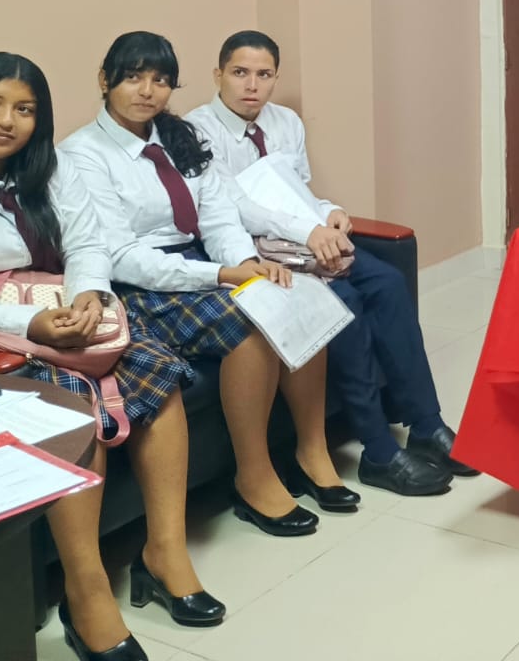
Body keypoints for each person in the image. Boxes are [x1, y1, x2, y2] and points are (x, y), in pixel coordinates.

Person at [0, 54, 221, 661]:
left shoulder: (52, 169)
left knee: (156, 371)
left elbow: (88, 243)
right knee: (68, 405)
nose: (6, 120)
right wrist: (29, 324)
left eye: (24, 109)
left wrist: (89, 295)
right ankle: (85, 591)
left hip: (57, 304)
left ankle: (164, 552)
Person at [58, 31, 341, 540]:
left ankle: (312, 449)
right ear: (105, 80)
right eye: (133, 77)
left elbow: (218, 216)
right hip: (141, 283)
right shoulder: (82, 154)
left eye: (160, 80)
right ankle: (253, 476)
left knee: (297, 294)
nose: (147, 91)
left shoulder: (180, 135)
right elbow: (119, 256)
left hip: (205, 262)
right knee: (250, 324)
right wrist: (224, 275)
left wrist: (247, 262)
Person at [184, 30, 463, 494]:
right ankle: (378, 451)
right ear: (218, 75)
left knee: (388, 283)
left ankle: (426, 424)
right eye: (239, 73)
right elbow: (234, 206)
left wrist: (330, 213)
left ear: (276, 78)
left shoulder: (286, 122)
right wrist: (308, 232)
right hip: (255, 251)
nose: (251, 85)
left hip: (309, 239)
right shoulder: (197, 130)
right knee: (344, 303)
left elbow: (298, 189)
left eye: (263, 74)